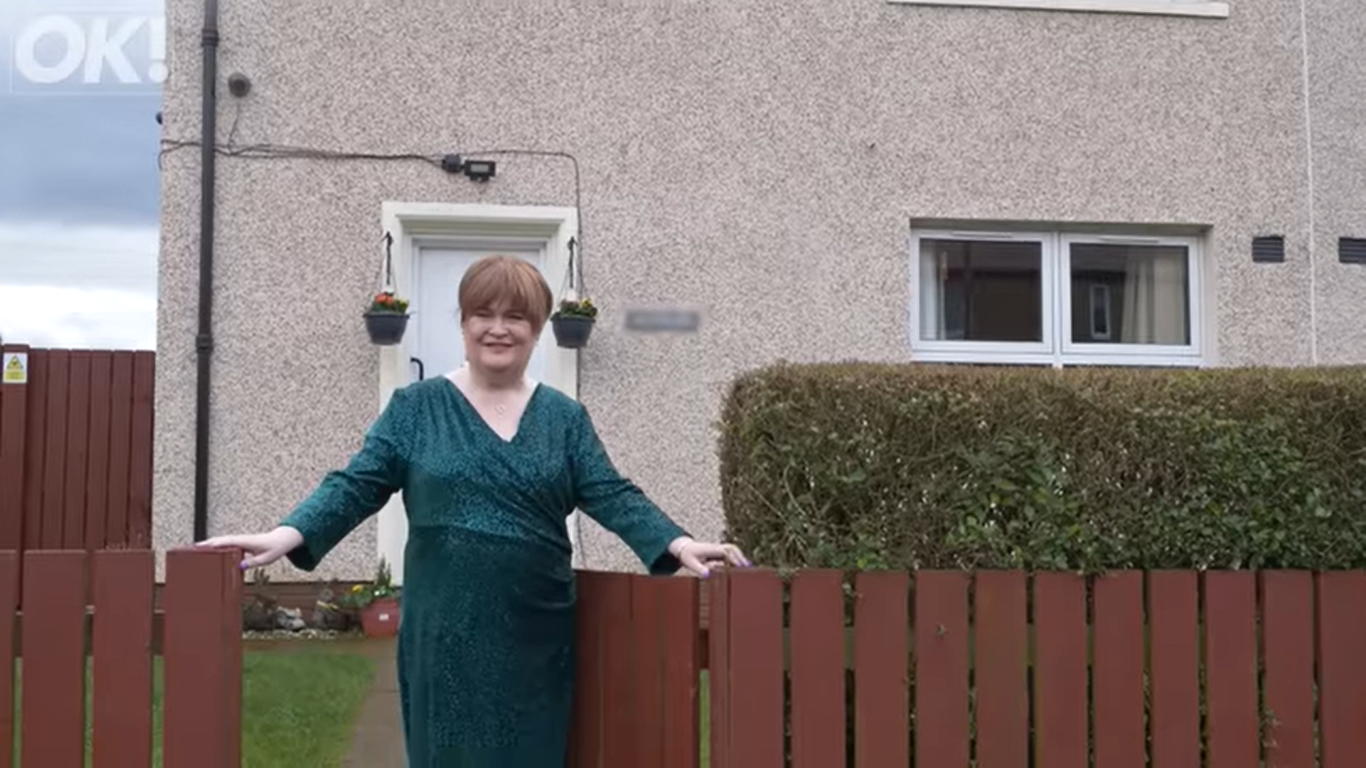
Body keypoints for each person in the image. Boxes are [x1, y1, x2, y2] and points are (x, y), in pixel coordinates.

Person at [197, 255, 751, 766]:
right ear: (462, 324)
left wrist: (677, 543)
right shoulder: (416, 408)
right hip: (446, 631)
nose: (498, 328)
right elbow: (356, 483)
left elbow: (610, 491)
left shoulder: (564, 418)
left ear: (536, 330)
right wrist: (290, 533)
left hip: (535, 631)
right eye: (482, 313)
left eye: (516, 316)